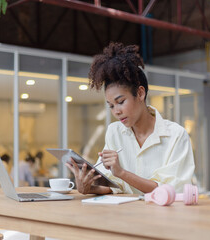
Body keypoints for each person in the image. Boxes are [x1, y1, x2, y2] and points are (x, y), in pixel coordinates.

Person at [66, 42, 195, 195]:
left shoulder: (175, 135)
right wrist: (86, 188)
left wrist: (121, 172)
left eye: (120, 102)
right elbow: (114, 186)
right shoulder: (114, 132)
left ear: (140, 94)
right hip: (125, 216)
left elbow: (169, 191)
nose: (116, 111)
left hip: (163, 218)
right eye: (111, 106)